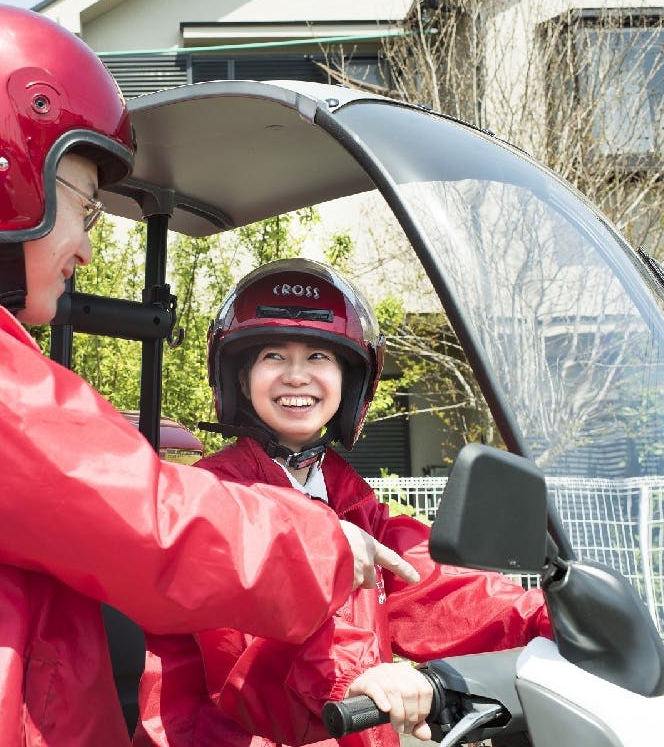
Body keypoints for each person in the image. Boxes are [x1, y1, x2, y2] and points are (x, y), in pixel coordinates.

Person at [0, 6, 419, 746]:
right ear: (7, 174)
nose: (87, 250)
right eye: (86, 210)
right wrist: (324, 546)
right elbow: (139, 516)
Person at [134, 258, 553, 746]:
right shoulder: (216, 496)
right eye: (273, 355)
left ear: (350, 381)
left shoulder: (345, 494)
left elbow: (427, 583)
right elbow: (245, 647)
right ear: (240, 376)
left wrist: (546, 617)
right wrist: (351, 677)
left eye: (318, 357)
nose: (296, 375)